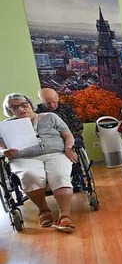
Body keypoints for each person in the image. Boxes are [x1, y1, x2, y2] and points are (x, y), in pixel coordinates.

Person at [1, 93, 78, 233]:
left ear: (30, 104)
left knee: (60, 174)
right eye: (14, 107)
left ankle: (64, 215)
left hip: (56, 153)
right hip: (23, 158)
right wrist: (4, 151)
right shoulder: (7, 126)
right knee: (31, 175)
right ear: (10, 110)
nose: (21, 109)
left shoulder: (50, 116)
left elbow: (68, 135)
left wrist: (68, 149)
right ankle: (43, 210)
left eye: (24, 104)